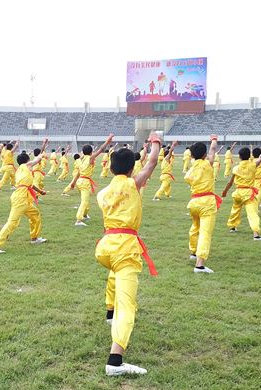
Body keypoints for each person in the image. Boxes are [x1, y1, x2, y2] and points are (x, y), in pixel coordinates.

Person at [95, 131, 162, 377]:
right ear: (132, 168)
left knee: (116, 274)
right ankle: (115, 361)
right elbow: (152, 162)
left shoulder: (103, 193)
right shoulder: (134, 183)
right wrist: (156, 142)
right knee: (128, 306)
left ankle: (109, 312)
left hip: (106, 247)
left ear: (111, 169)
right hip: (124, 247)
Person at [0, 139, 48, 254]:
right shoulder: (27, 166)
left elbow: (30, 185)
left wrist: (40, 191)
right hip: (20, 198)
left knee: (35, 215)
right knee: (12, 222)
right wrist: (44, 145)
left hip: (24, 197)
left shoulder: (20, 170)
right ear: (27, 161)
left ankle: (34, 238)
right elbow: (39, 157)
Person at [184, 136, 221, 273]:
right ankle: (200, 264)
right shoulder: (208, 163)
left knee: (195, 227)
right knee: (205, 232)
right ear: (204, 155)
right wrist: (214, 139)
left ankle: (193, 252)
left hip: (194, 202)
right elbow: (213, 148)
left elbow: (187, 179)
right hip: (207, 202)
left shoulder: (191, 169)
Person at [222, 146, 261, 241]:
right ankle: (256, 234)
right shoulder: (253, 164)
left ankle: (232, 227)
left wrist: (225, 191)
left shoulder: (236, 168)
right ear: (249, 156)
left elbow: (230, 182)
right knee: (252, 213)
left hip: (238, 192)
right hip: (248, 193)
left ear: (239, 156)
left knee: (235, 210)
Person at [68, 135, 114, 226]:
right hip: (84, 182)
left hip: (80, 181)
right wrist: (107, 141)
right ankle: (78, 220)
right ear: (91, 152)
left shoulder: (82, 159)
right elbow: (101, 149)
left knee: (86, 200)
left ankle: (84, 215)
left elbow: (78, 172)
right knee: (84, 201)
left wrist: (73, 183)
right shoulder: (90, 158)